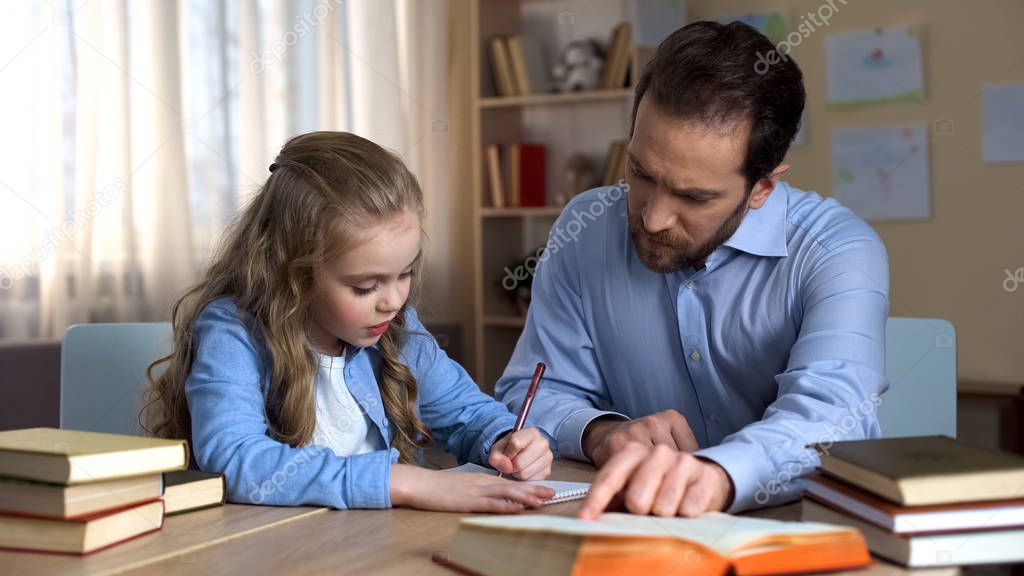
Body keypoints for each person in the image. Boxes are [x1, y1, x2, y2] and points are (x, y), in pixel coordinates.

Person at [496, 21, 889, 518]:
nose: (653, 218)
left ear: (762, 188)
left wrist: (718, 475)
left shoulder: (838, 252)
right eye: (640, 172)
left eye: (693, 196)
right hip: (637, 529)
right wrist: (602, 434)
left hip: (792, 531)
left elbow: (833, 421)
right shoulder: (585, 228)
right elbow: (529, 393)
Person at [147, 131, 554, 512]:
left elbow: (469, 414)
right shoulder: (233, 332)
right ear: (294, 272)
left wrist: (507, 440)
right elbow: (234, 461)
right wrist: (401, 482)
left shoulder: (397, 331)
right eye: (365, 287)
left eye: (406, 273)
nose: (394, 302)